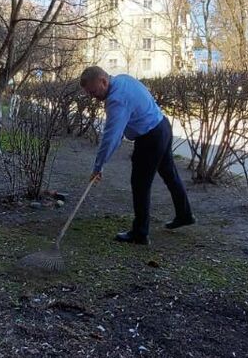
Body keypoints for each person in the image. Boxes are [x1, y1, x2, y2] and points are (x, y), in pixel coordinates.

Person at [80, 66, 194, 244]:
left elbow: (112, 137)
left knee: (140, 183)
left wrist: (98, 166)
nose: (93, 96)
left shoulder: (116, 99)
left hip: (150, 137)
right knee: (170, 174)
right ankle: (185, 215)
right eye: (89, 93)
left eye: (94, 92)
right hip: (162, 126)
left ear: (104, 81)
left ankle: (140, 233)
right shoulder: (123, 79)